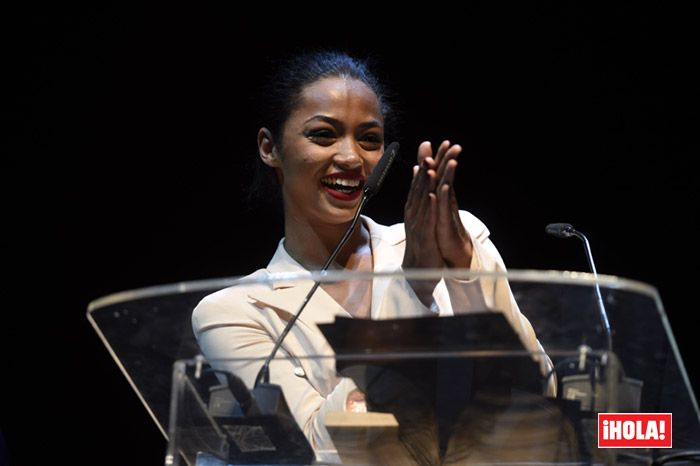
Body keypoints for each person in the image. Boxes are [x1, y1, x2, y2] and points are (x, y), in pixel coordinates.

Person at [192, 51, 555, 457]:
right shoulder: (235, 311)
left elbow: (539, 388)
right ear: (269, 147)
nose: (351, 158)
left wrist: (463, 274)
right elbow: (314, 450)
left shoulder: (456, 240)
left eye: (369, 139)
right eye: (324, 135)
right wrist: (412, 288)